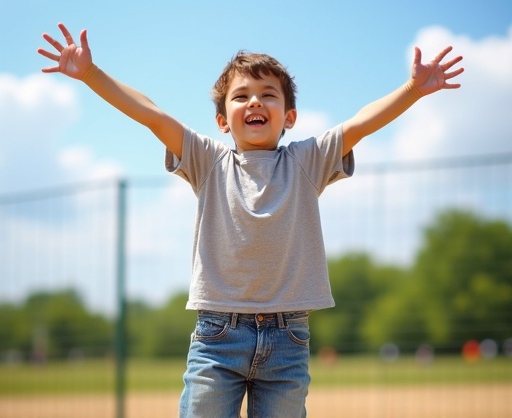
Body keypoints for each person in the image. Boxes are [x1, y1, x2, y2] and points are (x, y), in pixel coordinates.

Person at [38, 23, 464, 417]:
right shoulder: (208, 161)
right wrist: (91, 73)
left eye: (268, 94)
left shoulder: (306, 161)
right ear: (223, 121)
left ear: (288, 117)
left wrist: (412, 88)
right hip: (217, 337)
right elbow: (153, 115)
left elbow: (359, 125)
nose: (255, 101)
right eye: (241, 96)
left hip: (288, 339)